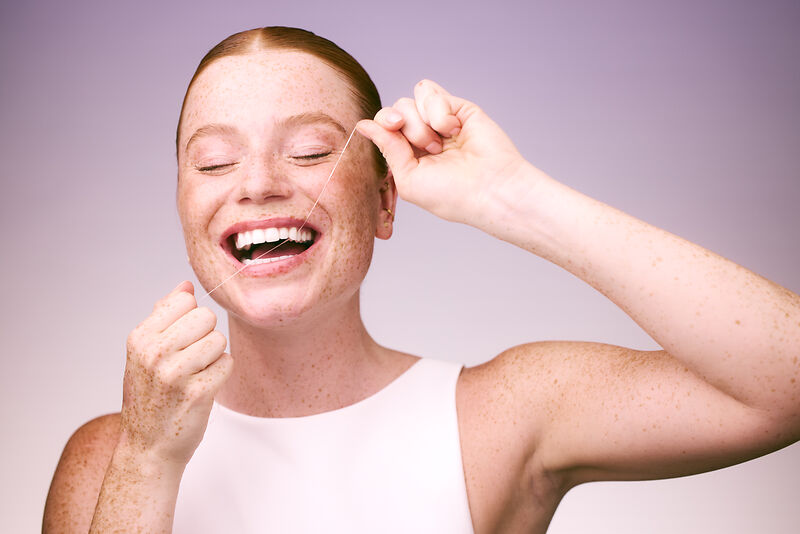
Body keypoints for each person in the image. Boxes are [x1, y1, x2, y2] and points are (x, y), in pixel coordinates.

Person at [42, 26, 800, 534]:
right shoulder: (110, 456)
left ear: (383, 201)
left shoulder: (500, 417)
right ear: (183, 204)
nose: (257, 184)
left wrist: (513, 198)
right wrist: (146, 462)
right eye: (213, 162)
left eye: (309, 151)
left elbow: (784, 381)